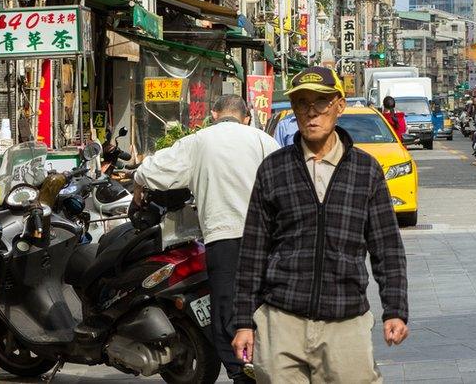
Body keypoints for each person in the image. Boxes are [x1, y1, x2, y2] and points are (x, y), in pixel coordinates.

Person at [232, 67, 409, 383]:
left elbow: (387, 247)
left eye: (321, 102)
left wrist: (394, 309)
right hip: (281, 320)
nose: (311, 113)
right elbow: (253, 250)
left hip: (345, 321)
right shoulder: (274, 169)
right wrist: (244, 321)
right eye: (302, 103)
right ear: (294, 110)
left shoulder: (365, 170)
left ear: (339, 105)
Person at [134, 95, 281, 383]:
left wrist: (139, 182)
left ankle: (240, 372)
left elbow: (154, 170)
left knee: (225, 307)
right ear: (246, 116)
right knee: (263, 304)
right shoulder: (262, 140)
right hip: (266, 237)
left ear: (213, 114)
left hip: (223, 238)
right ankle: (265, 364)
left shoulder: (198, 141)